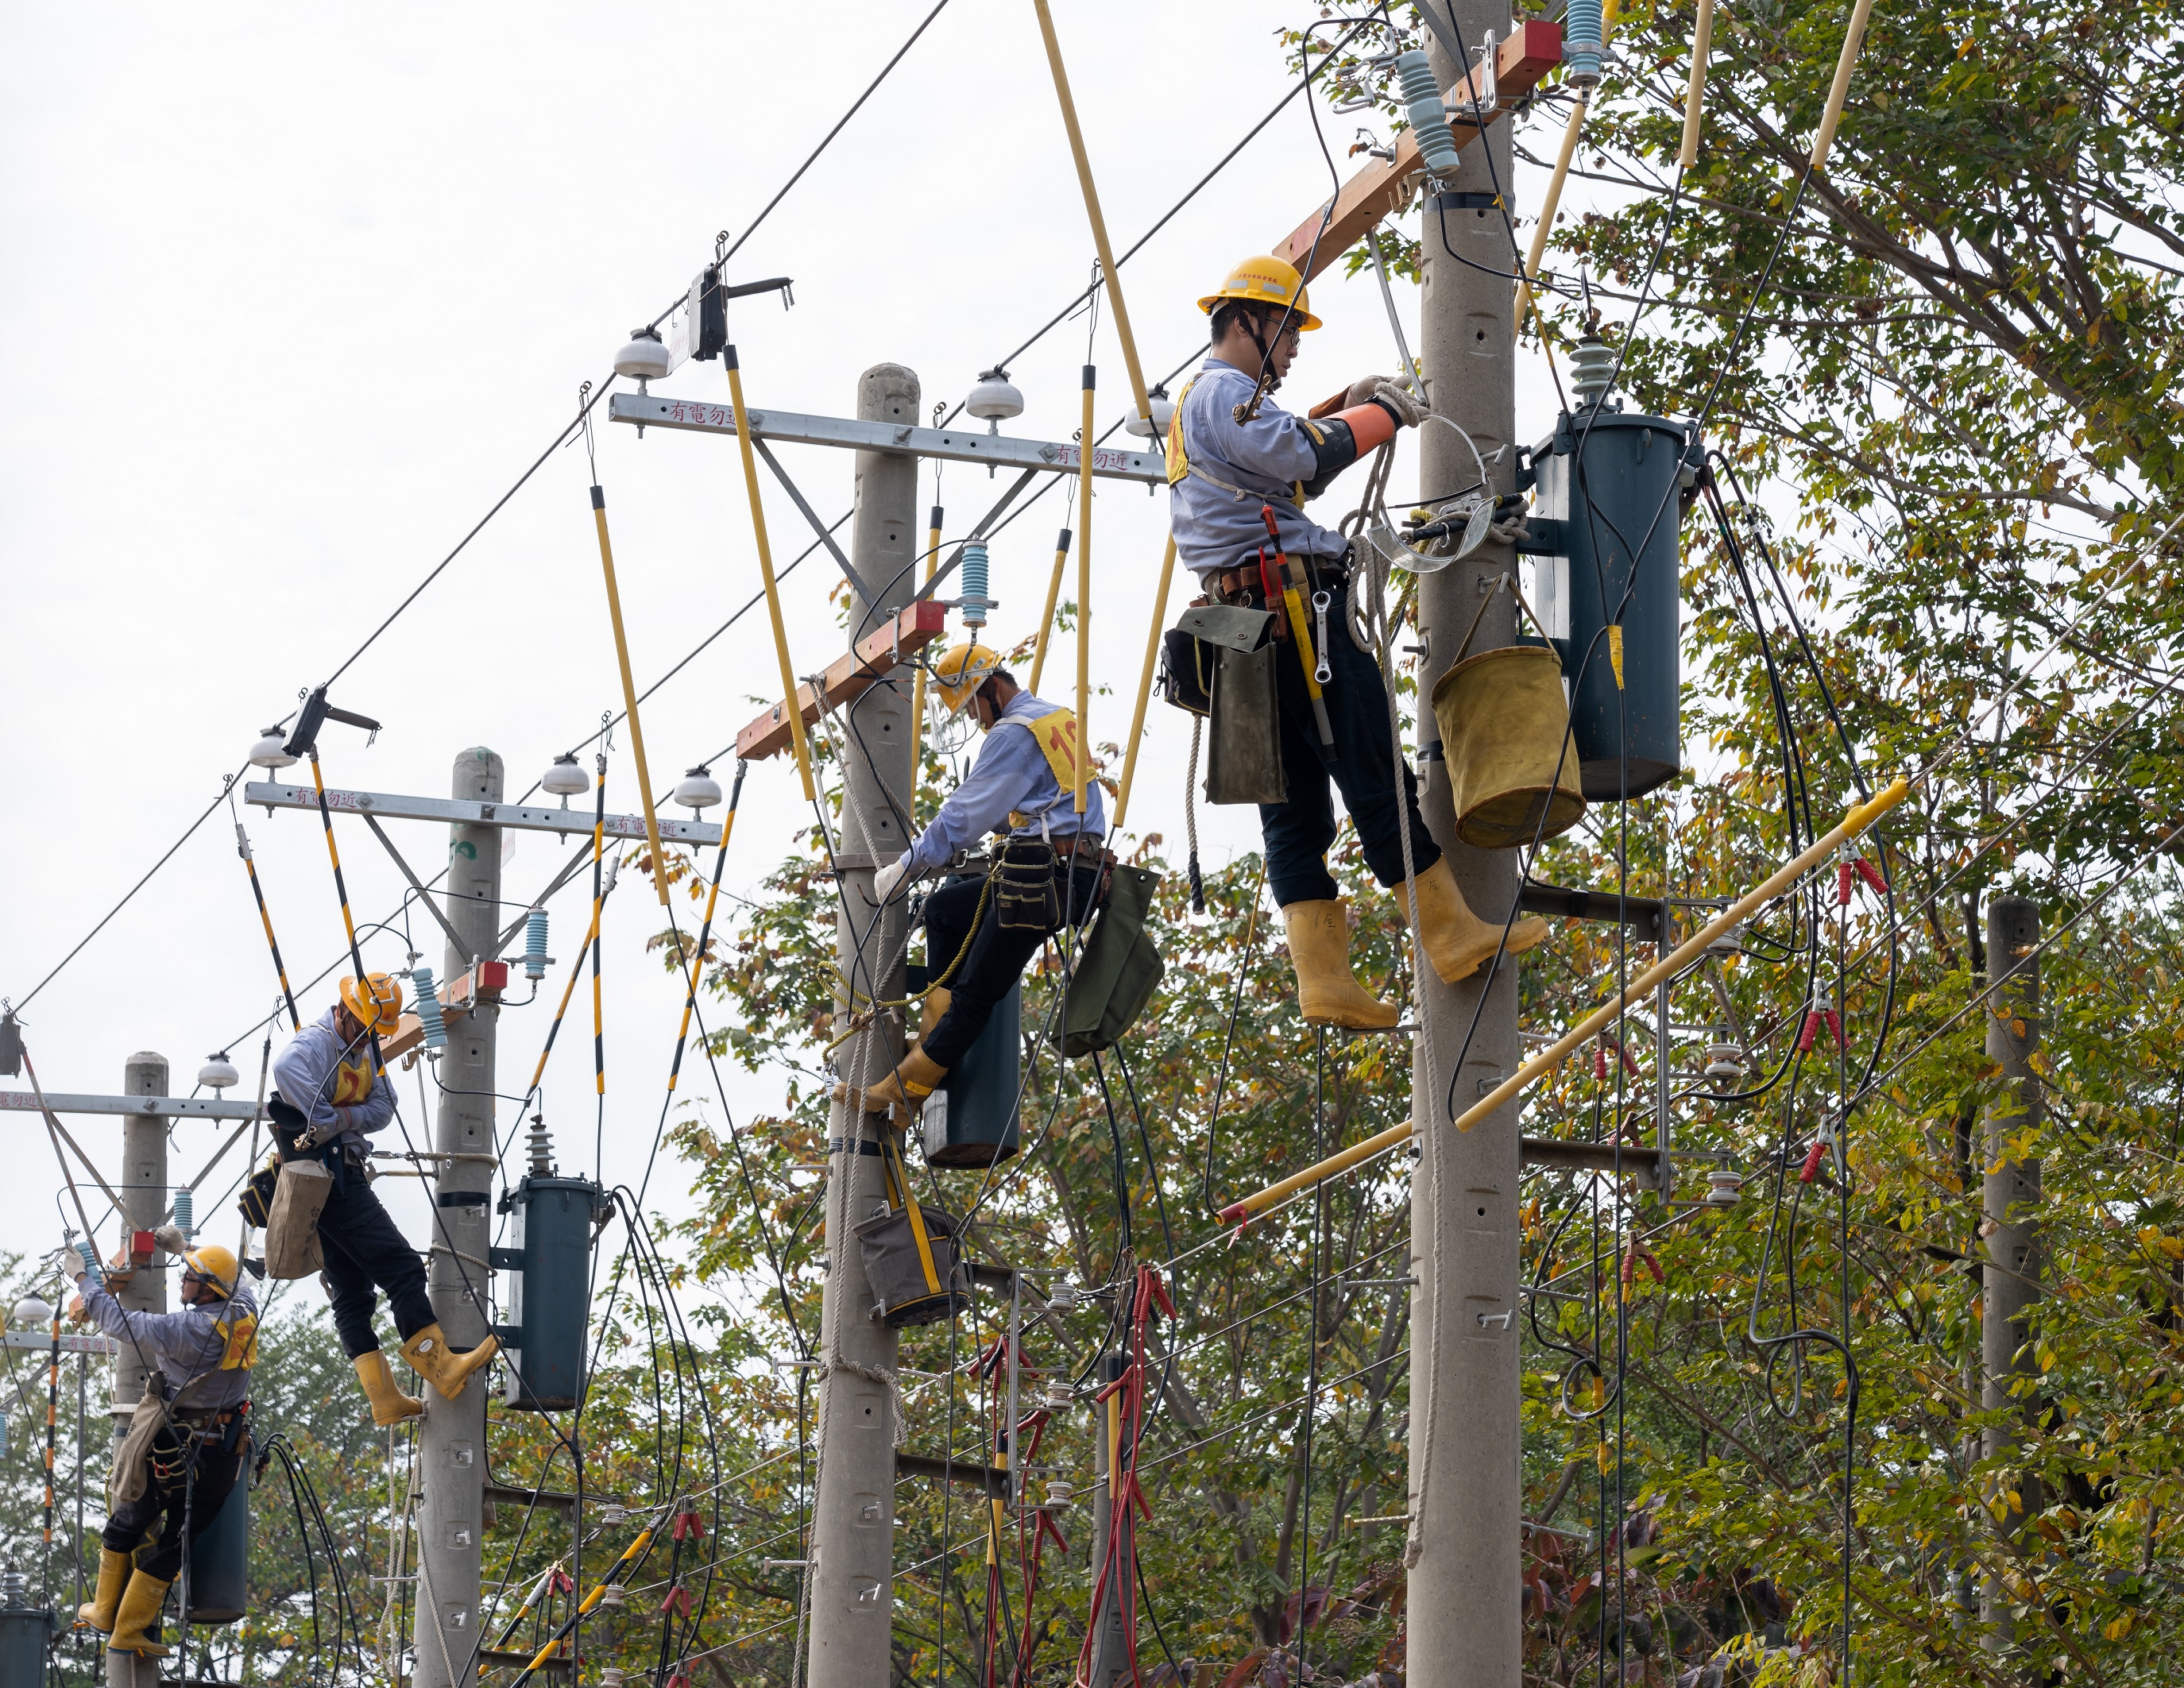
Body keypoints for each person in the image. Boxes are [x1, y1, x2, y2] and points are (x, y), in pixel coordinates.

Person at [1166, 254, 1550, 1028]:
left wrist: (1345, 404)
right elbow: (1301, 457)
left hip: (1235, 631)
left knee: (1290, 814)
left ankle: (1323, 977)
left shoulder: (1207, 408)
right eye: (1286, 330)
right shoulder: (1221, 392)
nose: (1293, 347)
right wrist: (1378, 418)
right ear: (1246, 322)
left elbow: (1279, 473)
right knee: (1374, 775)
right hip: (1292, 616)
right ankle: (1447, 933)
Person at [838, 643, 1107, 1114]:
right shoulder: (1051, 717)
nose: (977, 722)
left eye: (974, 708)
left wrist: (910, 864)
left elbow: (964, 817)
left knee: (976, 991)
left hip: (1048, 879)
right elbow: (1035, 806)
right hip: (1057, 871)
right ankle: (929, 1043)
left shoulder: (1013, 734)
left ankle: (906, 1093)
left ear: (994, 689)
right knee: (944, 912)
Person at [269, 971, 497, 1425]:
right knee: (401, 1267)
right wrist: (345, 1119)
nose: (368, 1042)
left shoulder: (368, 1047)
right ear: (344, 1012)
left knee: (352, 1294)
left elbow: (383, 1109)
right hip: (330, 1180)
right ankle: (442, 1368)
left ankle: (384, 1400)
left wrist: (343, 1117)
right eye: (364, 1030)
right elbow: (316, 1114)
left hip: (337, 1172)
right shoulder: (306, 1053)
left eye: (376, 1034)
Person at [71, 1237, 257, 1658]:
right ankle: (119, 1622)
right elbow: (239, 1279)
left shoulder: (186, 1330)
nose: (183, 1279)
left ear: (207, 1290)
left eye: (190, 1276)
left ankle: (110, 1615)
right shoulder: (244, 1310)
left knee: (132, 1518)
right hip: (221, 1454)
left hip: (175, 1448)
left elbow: (118, 1321)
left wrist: (82, 1277)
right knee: (177, 1537)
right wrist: (185, 1246)